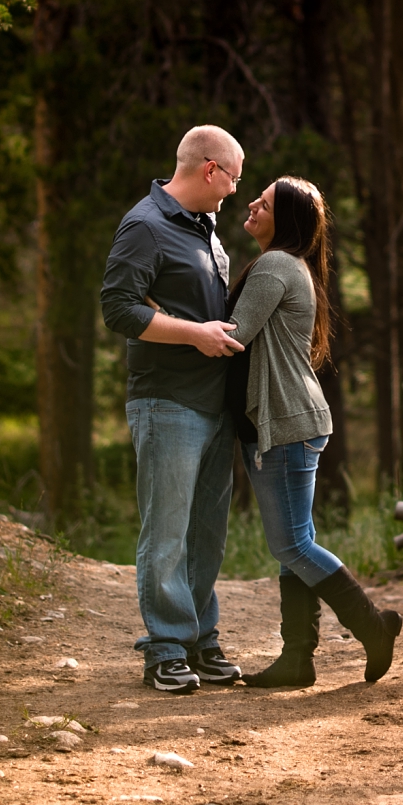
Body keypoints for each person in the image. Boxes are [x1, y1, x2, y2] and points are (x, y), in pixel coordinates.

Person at [227, 176, 401, 688]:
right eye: (256, 195)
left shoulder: (277, 265)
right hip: (290, 422)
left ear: (289, 220)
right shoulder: (289, 265)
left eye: (267, 201)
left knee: (293, 546)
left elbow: (233, 336)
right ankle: (297, 659)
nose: (254, 203)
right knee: (296, 543)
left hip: (285, 424)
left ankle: (372, 626)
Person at [99, 125, 250, 694]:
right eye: (234, 178)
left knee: (206, 534)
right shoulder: (145, 225)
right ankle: (163, 648)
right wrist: (193, 334)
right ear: (210, 169)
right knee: (166, 532)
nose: (236, 191)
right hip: (167, 401)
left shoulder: (206, 227)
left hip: (216, 407)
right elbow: (117, 309)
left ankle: (197, 639)